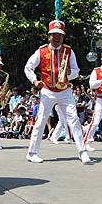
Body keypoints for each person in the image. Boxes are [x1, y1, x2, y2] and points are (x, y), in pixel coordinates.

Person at [24, 17, 91, 164]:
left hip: (65, 90)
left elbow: (76, 71)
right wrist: (35, 81)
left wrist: (68, 73)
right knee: (41, 120)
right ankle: (32, 152)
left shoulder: (69, 51)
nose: (57, 37)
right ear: (49, 35)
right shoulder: (41, 51)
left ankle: (82, 151)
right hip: (47, 90)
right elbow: (28, 67)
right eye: (54, 34)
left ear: (63, 36)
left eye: (60, 35)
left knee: (74, 119)